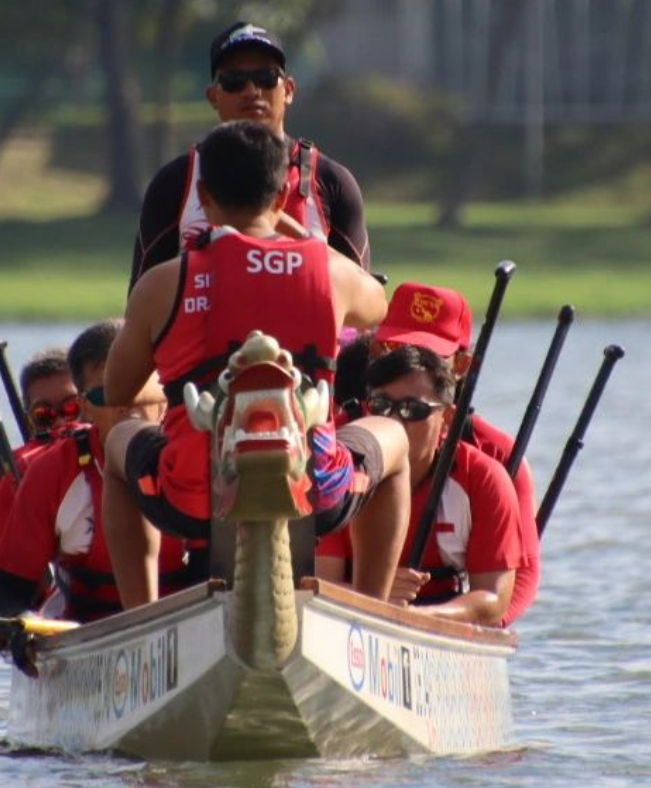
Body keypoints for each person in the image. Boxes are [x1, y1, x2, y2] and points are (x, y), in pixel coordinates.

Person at [103, 120, 410, 610]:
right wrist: (297, 236)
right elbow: (378, 305)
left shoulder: (162, 282)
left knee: (119, 438)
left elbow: (117, 388)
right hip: (317, 487)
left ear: (202, 195)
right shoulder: (331, 273)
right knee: (391, 440)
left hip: (191, 493)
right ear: (286, 190)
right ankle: (372, 611)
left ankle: (140, 614)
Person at [0, 320, 185, 653]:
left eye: (139, 391)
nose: (125, 406)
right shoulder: (51, 472)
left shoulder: (197, 457)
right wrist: (14, 625)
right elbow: (8, 592)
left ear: (164, 394)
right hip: (87, 630)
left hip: (188, 619)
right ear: (86, 406)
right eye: (107, 393)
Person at [130, 20, 370, 290]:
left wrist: (305, 243)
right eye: (233, 81)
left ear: (288, 90)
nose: (251, 91)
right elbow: (140, 301)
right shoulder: (175, 181)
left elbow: (361, 308)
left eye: (266, 78)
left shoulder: (331, 180)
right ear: (212, 97)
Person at [369, 282, 540, 626]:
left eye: (428, 355)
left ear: (462, 364)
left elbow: (519, 581)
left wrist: (460, 623)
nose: (407, 363)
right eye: (392, 348)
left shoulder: (498, 459)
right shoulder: (345, 439)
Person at [318, 346, 525, 627]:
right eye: (380, 406)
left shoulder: (485, 479)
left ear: (447, 419)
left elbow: (493, 600)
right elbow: (319, 581)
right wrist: (373, 595)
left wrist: (415, 617)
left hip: (436, 618)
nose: (393, 421)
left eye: (412, 409)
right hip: (350, 614)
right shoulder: (339, 474)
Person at [0, 347, 81, 614]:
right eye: (44, 415)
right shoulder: (23, 468)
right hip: (64, 606)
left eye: (71, 408)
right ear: (29, 421)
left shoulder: (119, 445)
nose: (60, 424)